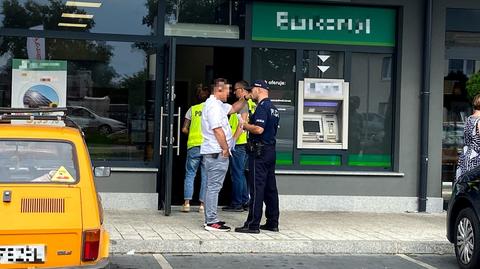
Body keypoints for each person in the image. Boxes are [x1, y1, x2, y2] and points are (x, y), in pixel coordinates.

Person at [201, 78, 247, 232]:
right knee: (213, 187)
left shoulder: (219, 105)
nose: (229, 93)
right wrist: (226, 149)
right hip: (216, 152)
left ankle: (212, 219)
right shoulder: (213, 106)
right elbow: (217, 129)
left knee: (213, 186)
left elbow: (233, 108)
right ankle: (211, 221)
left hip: (215, 151)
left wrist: (244, 98)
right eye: (227, 90)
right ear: (219, 90)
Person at [235, 80, 280, 234]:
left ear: (259, 90)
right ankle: (272, 222)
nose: (250, 93)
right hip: (270, 151)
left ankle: (252, 224)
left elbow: (259, 129)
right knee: (270, 188)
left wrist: (245, 125)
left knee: (256, 188)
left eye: (252, 89)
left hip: (259, 152)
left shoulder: (262, 107)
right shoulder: (273, 108)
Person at [223, 81, 256, 212]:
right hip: (246, 143)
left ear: (242, 90)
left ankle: (237, 203)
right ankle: (244, 201)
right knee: (241, 173)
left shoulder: (243, 104)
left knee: (237, 174)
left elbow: (241, 125)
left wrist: (233, 141)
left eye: (236, 89)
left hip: (239, 143)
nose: (234, 92)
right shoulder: (252, 104)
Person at [180, 86, 210, 213]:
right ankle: (202, 205)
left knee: (190, 174)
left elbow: (184, 129)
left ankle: (187, 203)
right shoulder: (211, 109)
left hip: (193, 146)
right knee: (205, 175)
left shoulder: (192, 109)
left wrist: (192, 133)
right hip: (207, 146)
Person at [455, 94, 480, 183]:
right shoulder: (479, 120)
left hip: (466, 156)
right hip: (476, 159)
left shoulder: (469, 118)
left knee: (466, 185)